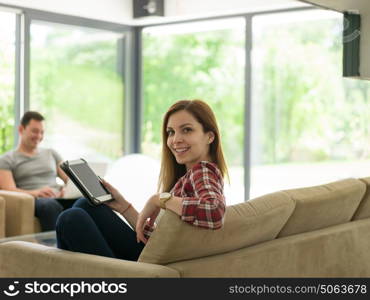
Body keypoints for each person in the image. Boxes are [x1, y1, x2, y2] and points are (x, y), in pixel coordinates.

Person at [56, 99, 228, 261]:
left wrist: (159, 199)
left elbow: (215, 212)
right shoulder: (193, 174)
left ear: (209, 137)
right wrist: (124, 207)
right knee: (84, 204)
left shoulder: (203, 172)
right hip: (156, 254)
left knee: (70, 218)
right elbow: (163, 238)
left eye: (187, 130)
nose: (175, 140)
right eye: (171, 132)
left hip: (152, 267)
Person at [0, 111, 67, 231]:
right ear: (21, 129)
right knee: (49, 205)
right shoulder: (7, 159)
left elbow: (70, 179)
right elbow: (8, 189)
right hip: (37, 201)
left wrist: (66, 190)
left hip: (59, 197)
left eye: (42, 132)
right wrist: (36, 193)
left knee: (84, 202)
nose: (39, 136)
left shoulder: (51, 153)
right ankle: (55, 248)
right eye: (35, 131)